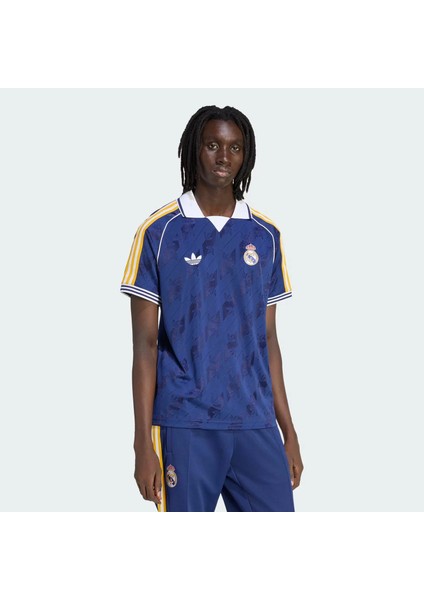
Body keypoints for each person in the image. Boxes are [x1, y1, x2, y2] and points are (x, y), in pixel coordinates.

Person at [120, 105, 304, 512]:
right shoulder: (159, 232)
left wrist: (288, 431)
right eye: (213, 145)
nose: (224, 157)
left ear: (246, 155)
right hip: (185, 422)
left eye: (235, 147)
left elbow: (268, 340)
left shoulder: (266, 235)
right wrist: (141, 444)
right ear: (194, 150)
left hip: (255, 421)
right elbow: (144, 347)